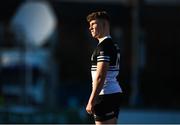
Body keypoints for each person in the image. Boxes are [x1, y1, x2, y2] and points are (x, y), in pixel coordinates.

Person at [86, 11, 124, 124]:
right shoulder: (110, 44)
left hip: (105, 95)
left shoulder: (104, 46)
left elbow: (100, 76)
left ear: (105, 25)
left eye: (93, 24)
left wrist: (91, 100)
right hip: (112, 94)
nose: (90, 28)